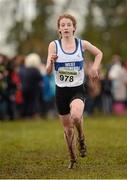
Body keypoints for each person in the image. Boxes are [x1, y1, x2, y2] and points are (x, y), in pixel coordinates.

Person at [46, 14, 103, 169]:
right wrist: (51, 61)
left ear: (74, 28)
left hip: (77, 89)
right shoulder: (54, 45)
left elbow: (99, 53)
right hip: (61, 92)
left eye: (68, 25)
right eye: (62, 25)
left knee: (76, 116)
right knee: (67, 130)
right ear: (59, 29)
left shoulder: (81, 44)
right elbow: (47, 71)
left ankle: (82, 138)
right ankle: (72, 157)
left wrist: (95, 67)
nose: (65, 27)